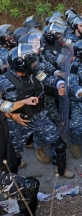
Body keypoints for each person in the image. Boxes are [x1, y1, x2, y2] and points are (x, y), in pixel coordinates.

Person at [0, 46, 74, 178]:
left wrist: (60, 86)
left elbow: (50, 80)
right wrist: (12, 114)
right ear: (20, 64)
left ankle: (61, 170)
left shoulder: (34, 72)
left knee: (60, 145)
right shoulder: (3, 80)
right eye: (31, 62)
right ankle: (14, 183)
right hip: (18, 122)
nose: (34, 64)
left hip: (39, 116)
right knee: (13, 157)